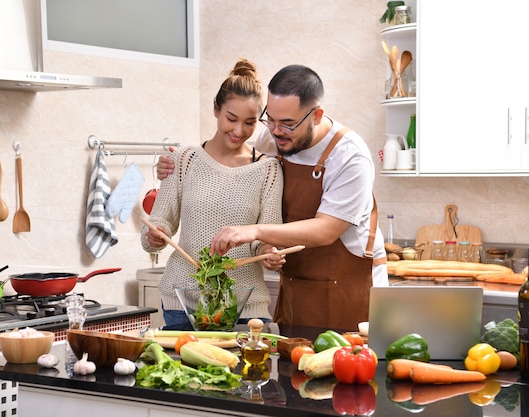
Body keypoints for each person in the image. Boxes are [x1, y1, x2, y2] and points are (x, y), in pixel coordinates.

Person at [158, 64, 388, 331]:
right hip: (295, 286)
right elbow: (231, 169)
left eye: (288, 124)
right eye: (270, 119)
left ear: (316, 116)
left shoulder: (350, 157)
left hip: (345, 290)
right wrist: (177, 164)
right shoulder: (274, 138)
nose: (276, 131)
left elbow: (327, 230)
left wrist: (253, 231)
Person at [141, 59, 284, 330]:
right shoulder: (183, 160)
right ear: (216, 109)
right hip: (183, 302)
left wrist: (269, 253)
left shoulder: (269, 170)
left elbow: (267, 235)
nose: (239, 131)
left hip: (245, 305)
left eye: (250, 123)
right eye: (231, 119)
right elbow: (160, 224)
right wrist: (155, 235)